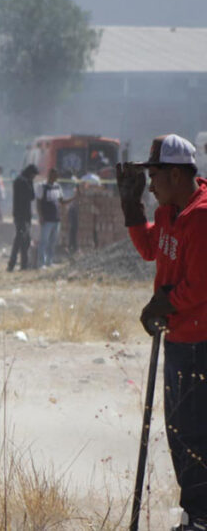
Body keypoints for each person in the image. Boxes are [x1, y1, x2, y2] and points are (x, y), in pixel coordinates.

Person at [118, 133, 207, 531]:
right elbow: (149, 249)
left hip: (199, 344)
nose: (149, 185)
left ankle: (201, 518)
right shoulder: (173, 211)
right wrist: (131, 207)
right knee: (181, 431)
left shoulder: (201, 216)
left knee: (193, 433)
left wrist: (165, 302)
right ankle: (196, 515)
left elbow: (201, 283)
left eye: (153, 176)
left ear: (175, 173)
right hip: (179, 339)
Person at [35, 168, 74, 268]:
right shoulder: (42, 187)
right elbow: (38, 203)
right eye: (54, 175)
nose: (55, 177)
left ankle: (49, 261)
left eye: (56, 176)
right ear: (50, 175)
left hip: (56, 219)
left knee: (53, 242)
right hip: (47, 219)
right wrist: (40, 216)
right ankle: (41, 263)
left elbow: (62, 201)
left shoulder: (57, 187)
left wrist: (74, 198)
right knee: (44, 241)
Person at [7, 165, 38, 271]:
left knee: (24, 240)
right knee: (20, 239)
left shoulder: (19, 180)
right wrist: (31, 182)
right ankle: (13, 264)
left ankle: (22, 264)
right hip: (23, 215)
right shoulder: (24, 182)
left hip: (21, 215)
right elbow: (32, 196)